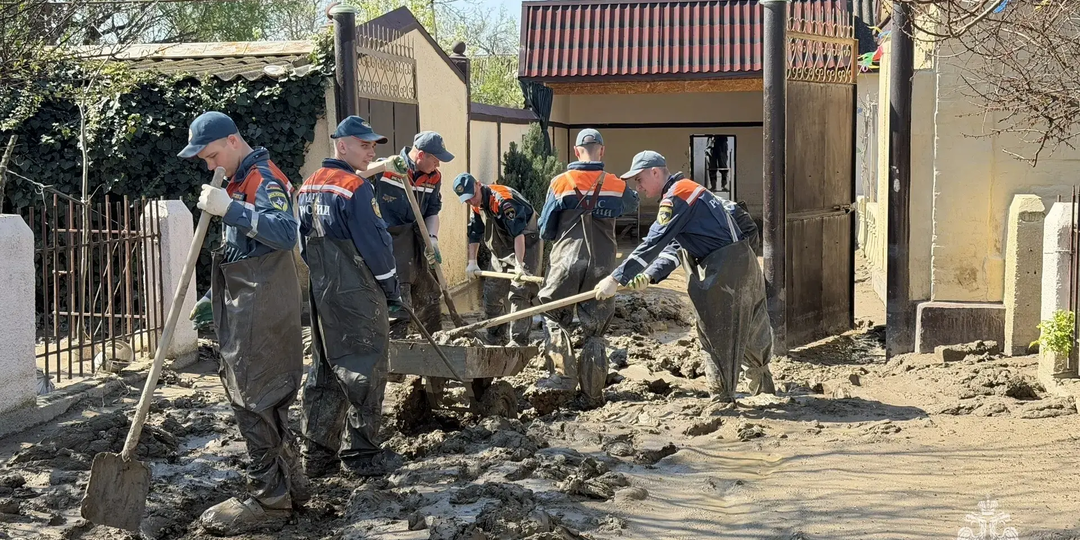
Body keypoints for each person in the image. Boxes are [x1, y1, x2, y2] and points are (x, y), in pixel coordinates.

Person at [178, 111, 307, 535]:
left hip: (262, 305)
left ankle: (269, 498)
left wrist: (231, 209)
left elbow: (285, 233)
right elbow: (243, 250)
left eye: (212, 155)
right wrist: (212, 295)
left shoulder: (261, 179)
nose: (209, 166)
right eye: (204, 160)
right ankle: (292, 484)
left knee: (251, 396)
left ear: (233, 141)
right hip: (249, 298)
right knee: (262, 394)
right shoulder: (238, 178)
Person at [594, 151, 775, 402]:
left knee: (717, 334)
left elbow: (653, 243)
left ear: (655, 172)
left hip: (727, 270)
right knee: (752, 332)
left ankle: (723, 401)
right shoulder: (688, 192)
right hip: (743, 263)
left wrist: (616, 278)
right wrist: (649, 275)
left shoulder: (676, 197)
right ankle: (764, 391)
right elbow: (676, 247)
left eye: (639, 179)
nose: (638, 187)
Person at [295, 116, 408, 478]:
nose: (371, 152)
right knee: (365, 370)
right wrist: (391, 289)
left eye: (373, 146)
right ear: (341, 145)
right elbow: (376, 245)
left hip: (322, 292)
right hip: (357, 293)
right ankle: (362, 455)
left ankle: (317, 454)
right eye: (364, 145)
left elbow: (302, 244)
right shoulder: (354, 188)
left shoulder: (309, 185)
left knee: (325, 369)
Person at [537, 129, 637, 405]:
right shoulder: (616, 184)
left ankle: (562, 377)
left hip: (566, 262)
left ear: (576, 151)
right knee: (595, 330)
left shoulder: (561, 182)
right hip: (602, 266)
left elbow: (545, 229)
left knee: (553, 314)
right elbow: (632, 204)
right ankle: (592, 393)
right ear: (602, 151)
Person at [375, 131, 454, 337]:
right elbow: (356, 174)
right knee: (400, 301)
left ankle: (433, 344)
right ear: (420, 155)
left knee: (429, 296)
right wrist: (382, 166)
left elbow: (432, 211)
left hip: (418, 241)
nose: (438, 164)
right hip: (391, 242)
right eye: (435, 160)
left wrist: (433, 239)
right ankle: (397, 347)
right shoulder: (388, 169)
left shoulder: (434, 177)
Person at [455, 172, 542, 346]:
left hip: (526, 242)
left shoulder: (503, 201)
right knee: (491, 294)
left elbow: (518, 234)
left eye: (472, 196)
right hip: (500, 249)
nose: (471, 202)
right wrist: (472, 262)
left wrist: (519, 265)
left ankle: (518, 342)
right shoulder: (476, 204)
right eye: (467, 200)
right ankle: (496, 338)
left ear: (478, 184)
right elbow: (475, 233)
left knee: (520, 292)